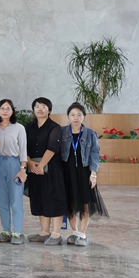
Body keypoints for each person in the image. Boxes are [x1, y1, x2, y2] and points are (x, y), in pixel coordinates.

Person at [61, 102, 107, 247]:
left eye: (79, 115)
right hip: (67, 172)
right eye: (72, 115)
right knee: (70, 203)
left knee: (85, 203)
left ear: (84, 117)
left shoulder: (90, 133)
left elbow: (95, 154)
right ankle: (74, 232)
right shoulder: (62, 132)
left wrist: (93, 174)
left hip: (84, 172)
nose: (76, 118)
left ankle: (82, 233)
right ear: (68, 116)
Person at [25, 97, 66, 246]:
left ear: (49, 110)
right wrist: (30, 163)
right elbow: (22, 146)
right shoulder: (28, 127)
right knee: (39, 198)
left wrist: (41, 165)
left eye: (43, 106)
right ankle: (44, 232)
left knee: (53, 199)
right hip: (33, 168)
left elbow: (52, 148)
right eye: (37, 106)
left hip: (51, 169)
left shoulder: (54, 127)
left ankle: (56, 234)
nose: (40, 109)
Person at [0, 99, 28, 245]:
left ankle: (17, 232)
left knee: (16, 200)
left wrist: (23, 169)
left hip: (14, 163)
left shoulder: (19, 128)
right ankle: (6, 231)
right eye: (2, 108)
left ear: (12, 111)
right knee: (2, 200)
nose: (5, 111)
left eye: (8, 108)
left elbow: (23, 149)